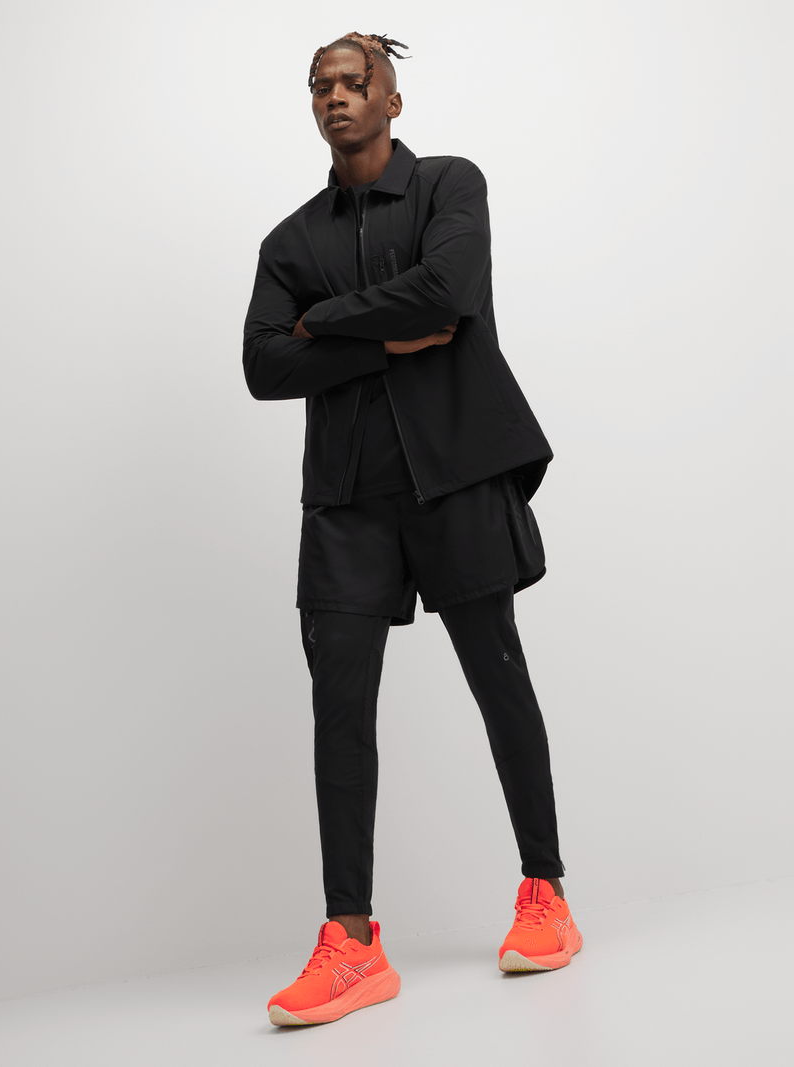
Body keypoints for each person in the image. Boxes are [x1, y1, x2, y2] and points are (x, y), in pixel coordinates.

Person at [243, 32, 583, 1027]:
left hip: (456, 478)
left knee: (498, 678)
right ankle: (350, 940)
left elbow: (447, 292)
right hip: (345, 501)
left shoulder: (448, 186)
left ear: (391, 100)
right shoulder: (288, 241)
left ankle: (546, 894)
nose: (336, 97)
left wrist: (322, 322)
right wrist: (379, 339)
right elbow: (263, 365)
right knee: (339, 712)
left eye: (355, 82)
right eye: (320, 85)